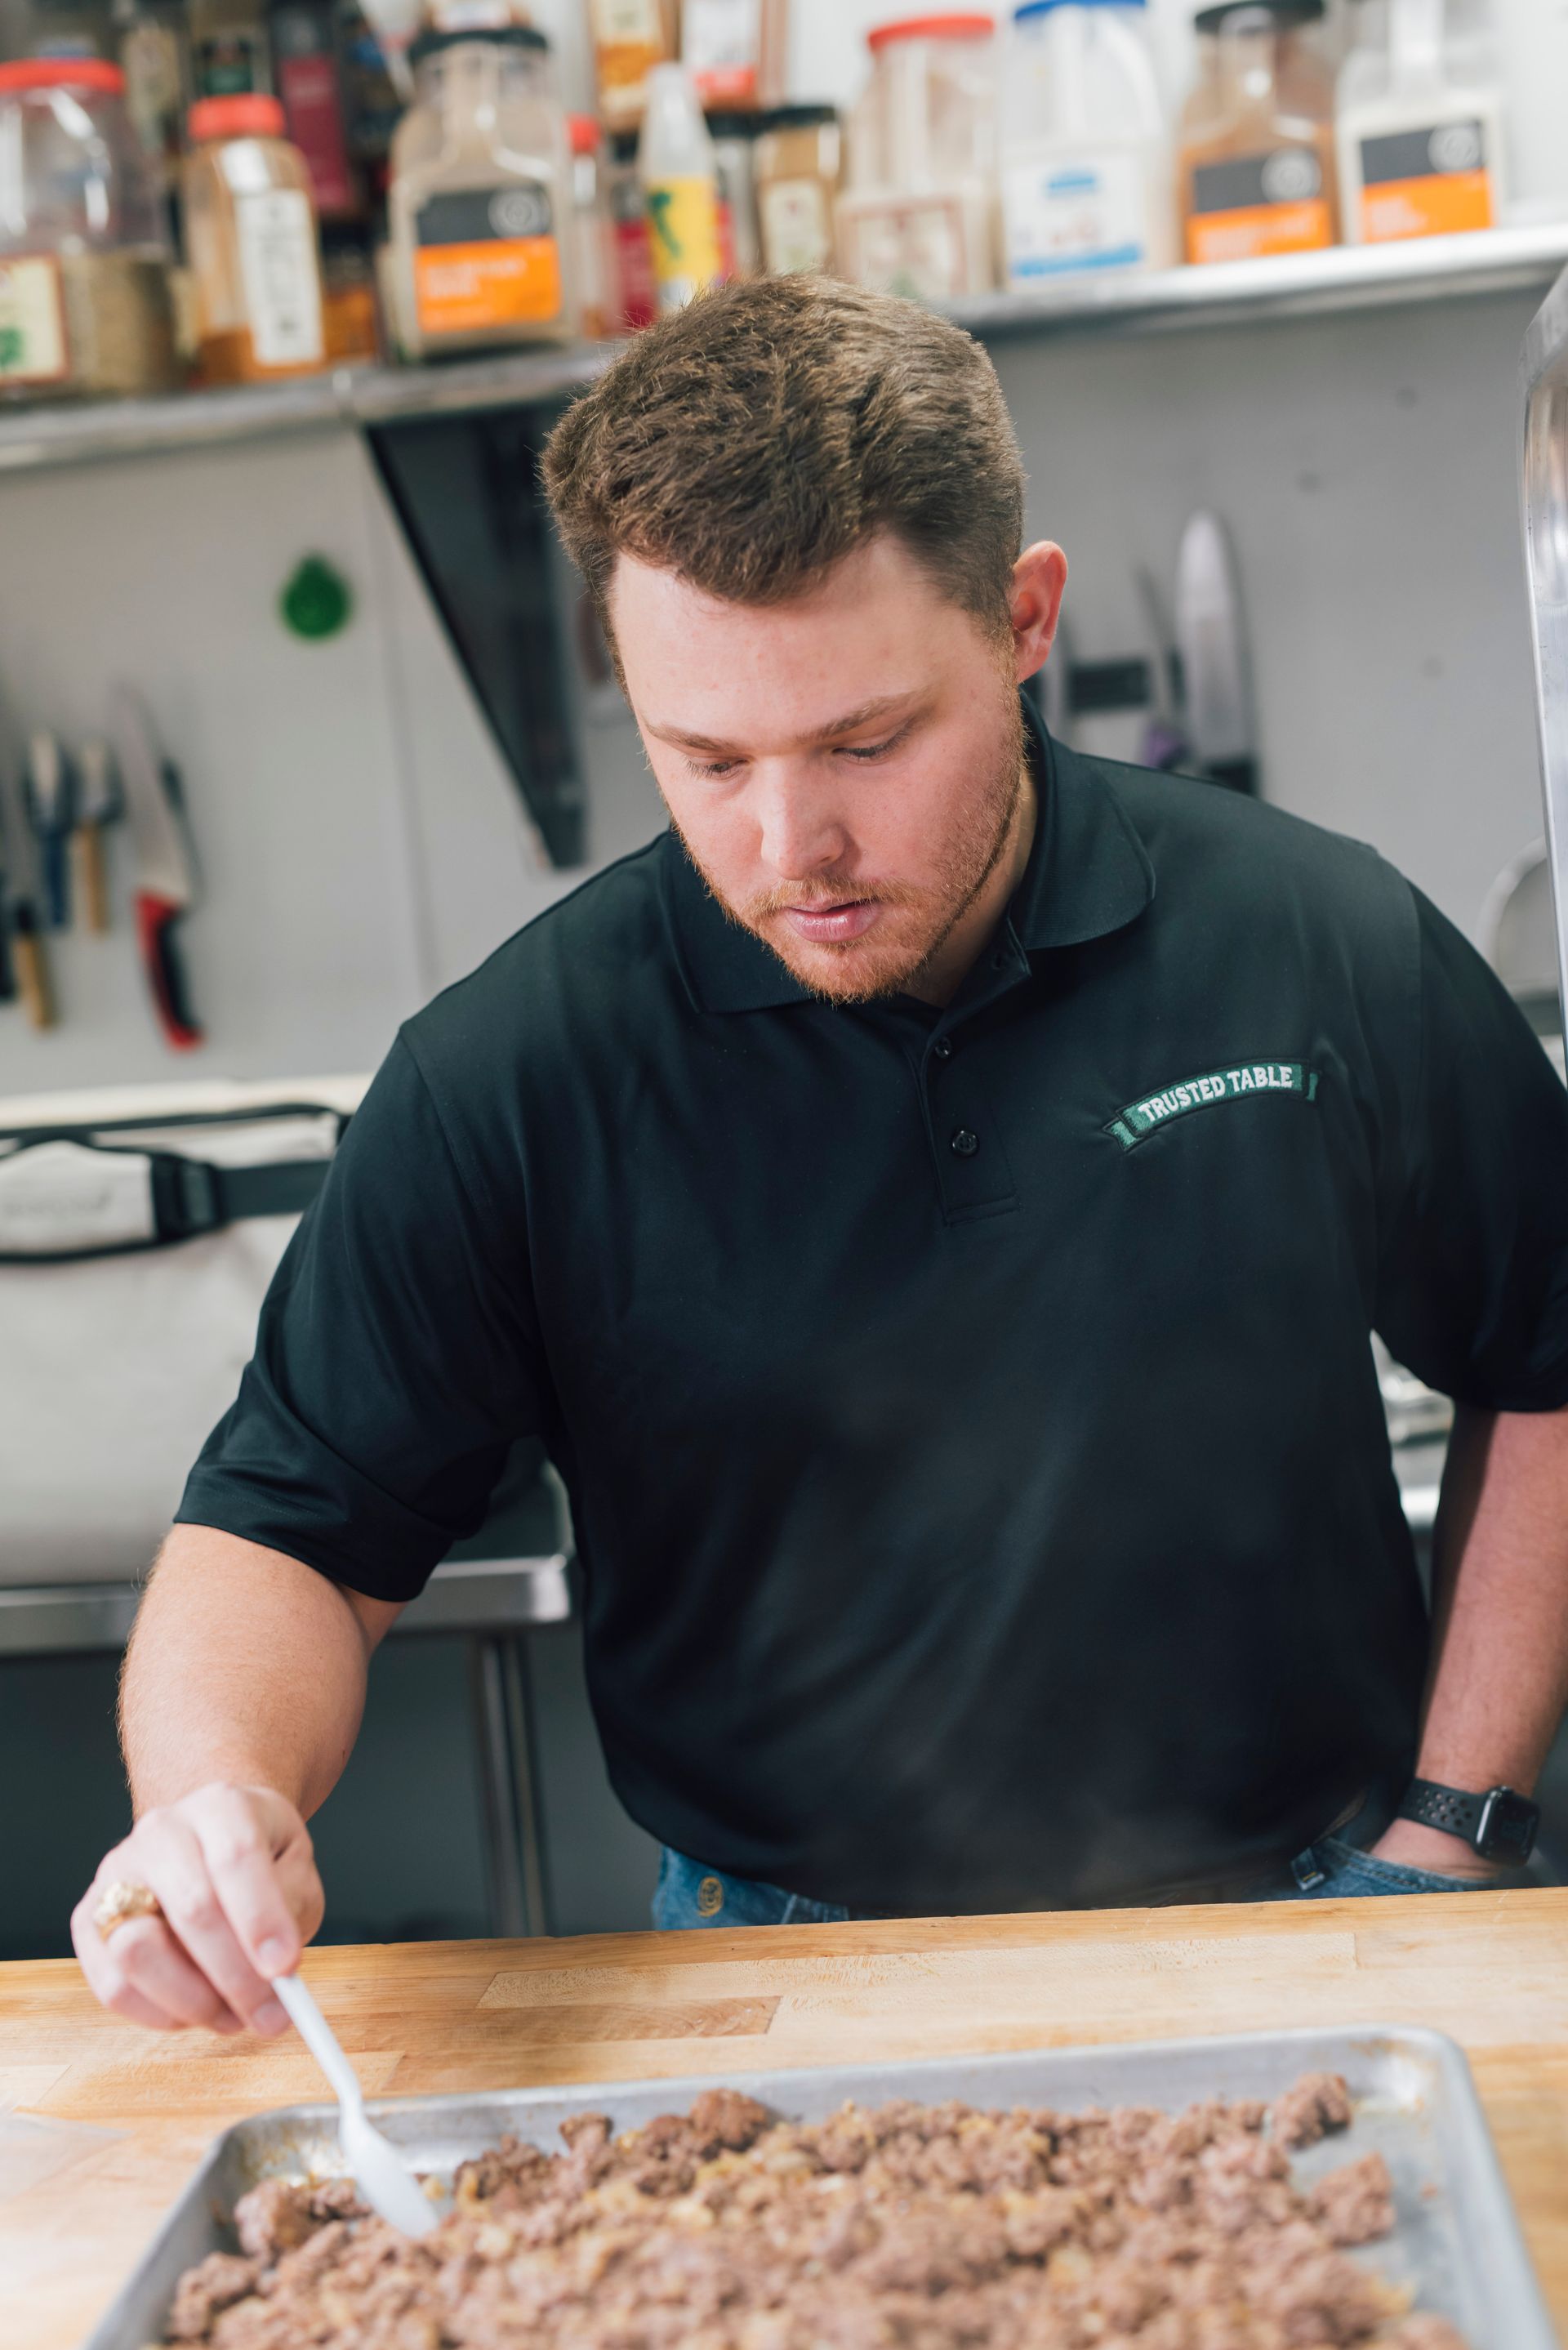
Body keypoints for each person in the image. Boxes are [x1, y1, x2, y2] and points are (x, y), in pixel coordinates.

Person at [75, 278, 1568, 2039]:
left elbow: (1546, 1352)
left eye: (867, 741)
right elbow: (291, 1529)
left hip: (1308, 1912)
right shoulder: (515, 1073)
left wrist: (1453, 1828)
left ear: (1023, 619)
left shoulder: (1316, 940)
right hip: (773, 1965)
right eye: (705, 758)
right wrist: (214, 1796)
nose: (795, 846)